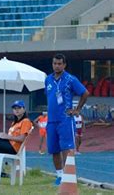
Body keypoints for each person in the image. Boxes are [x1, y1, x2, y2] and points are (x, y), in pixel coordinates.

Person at [45, 53, 89, 186]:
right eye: (54, 63)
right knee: (54, 149)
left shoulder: (70, 79)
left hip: (65, 119)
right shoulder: (48, 79)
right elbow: (50, 97)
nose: (57, 66)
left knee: (66, 148)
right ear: (52, 64)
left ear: (64, 65)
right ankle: (59, 176)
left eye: (59, 64)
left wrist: (77, 110)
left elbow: (85, 93)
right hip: (51, 120)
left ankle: (68, 176)